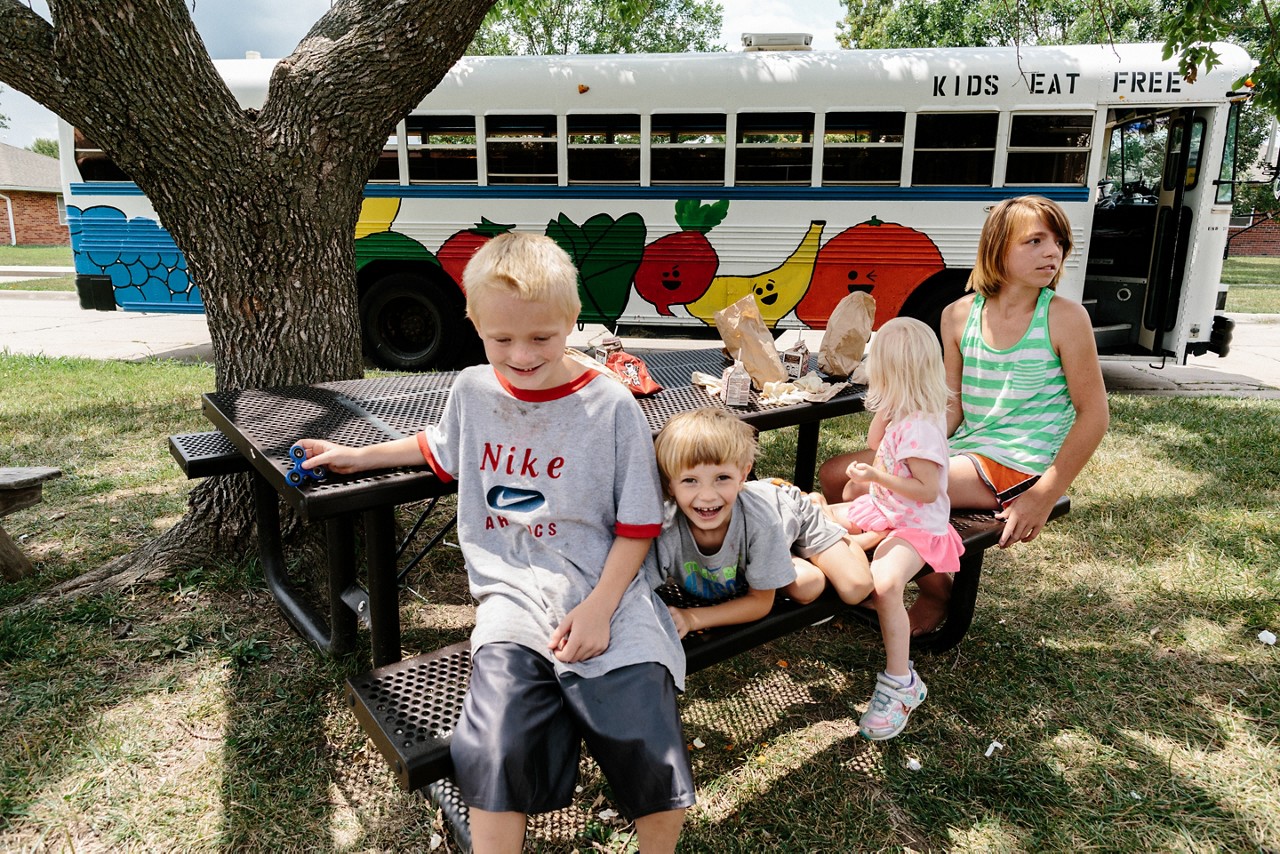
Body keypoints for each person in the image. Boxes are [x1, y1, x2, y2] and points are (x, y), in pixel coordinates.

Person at [296, 232, 692, 853]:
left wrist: (599, 608)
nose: (522, 354)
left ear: (572, 322)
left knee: (647, 735)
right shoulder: (473, 389)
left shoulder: (611, 407)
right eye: (501, 338)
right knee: (492, 742)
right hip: (512, 596)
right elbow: (439, 447)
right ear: (474, 324)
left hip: (606, 590)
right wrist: (354, 457)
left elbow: (639, 524)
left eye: (541, 337)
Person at [818, 195, 1109, 636]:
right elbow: (949, 404)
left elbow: (1094, 415)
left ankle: (935, 593)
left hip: (1017, 464)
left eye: (1059, 242)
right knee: (837, 473)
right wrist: (906, 441)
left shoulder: (1066, 319)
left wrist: (1044, 494)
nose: (1053, 252)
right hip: (962, 450)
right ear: (996, 248)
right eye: (1034, 241)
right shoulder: (958, 314)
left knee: (873, 487)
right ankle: (854, 578)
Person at [825, 316, 965, 740]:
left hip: (917, 525)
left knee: (885, 584)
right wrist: (885, 410)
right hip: (887, 510)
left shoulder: (922, 429)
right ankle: (835, 574)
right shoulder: (905, 413)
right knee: (815, 519)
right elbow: (875, 439)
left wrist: (875, 478)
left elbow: (926, 491)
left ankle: (901, 683)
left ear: (892, 372)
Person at [649, 407, 874, 637]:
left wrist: (693, 618)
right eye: (690, 480)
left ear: (743, 475)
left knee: (856, 588)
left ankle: (829, 519)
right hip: (771, 532)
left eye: (722, 478)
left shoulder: (760, 520)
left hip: (792, 513)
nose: (707, 495)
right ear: (669, 484)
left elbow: (759, 602)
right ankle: (787, 550)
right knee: (809, 584)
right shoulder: (662, 527)